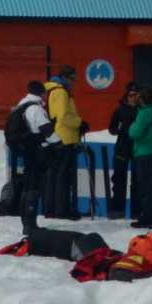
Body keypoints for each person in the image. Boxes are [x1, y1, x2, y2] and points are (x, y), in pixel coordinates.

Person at [2, 80, 57, 221]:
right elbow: (47, 132)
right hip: (35, 151)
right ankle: (29, 222)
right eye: (45, 92)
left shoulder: (22, 105)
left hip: (25, 149)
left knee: (28, 182)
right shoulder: (36, 109)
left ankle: (26, 219)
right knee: (34, 184)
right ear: (42, 93)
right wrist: (59, 143)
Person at [43, 65, 85, 220]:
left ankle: (51, 209)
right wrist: (80, 123)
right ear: (65, 77)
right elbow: (63, 116)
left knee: (54, 175)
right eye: (72, 78)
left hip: (54, 137)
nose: (74, 82)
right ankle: (62, 210)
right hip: (65, 137)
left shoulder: (50, 90)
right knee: (63, 177)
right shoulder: (61, 93)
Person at [126, 87, 152, 228]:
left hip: (143, 154)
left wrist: (132, 126)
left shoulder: (144, 113)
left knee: (145, 187)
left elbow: (135, 133)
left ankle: (147, 217)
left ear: (142, 99)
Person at [106, 81, 140, 219]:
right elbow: (111, 129)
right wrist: (120, 130)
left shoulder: (142, 110)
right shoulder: (119, 110)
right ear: (127, 95)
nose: (133, 98)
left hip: (138, 149)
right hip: (122, 148)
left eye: (136, 95)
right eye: (131, 95)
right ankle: (117, 210)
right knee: (119, 179)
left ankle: (136, 212)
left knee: (137, 181)